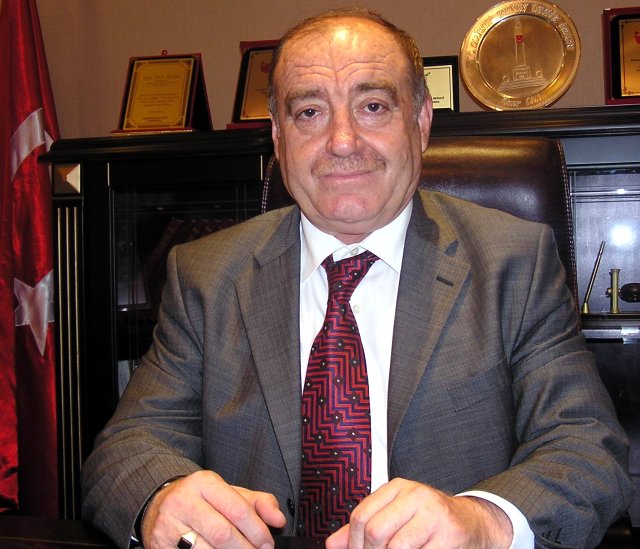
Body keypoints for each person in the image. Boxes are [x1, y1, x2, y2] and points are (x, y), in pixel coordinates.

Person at [82, 7, 634, 549]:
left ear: (421, 121)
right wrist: (160, 497)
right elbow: (125, 448)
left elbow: (586, 448)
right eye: (309, 112)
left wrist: (484, 522)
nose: (342, 141)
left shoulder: (514, 262)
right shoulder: (205, 275)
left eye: (372, 106)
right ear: (277, 136)